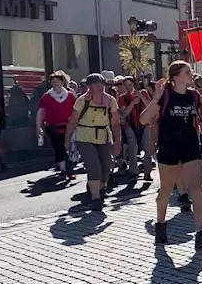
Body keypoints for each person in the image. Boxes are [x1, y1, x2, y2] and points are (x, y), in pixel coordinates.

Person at [141, 61, 202, 250]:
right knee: (166, 190)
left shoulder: (194, 95)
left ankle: (200, 232)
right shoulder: (165, 95)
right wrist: (156, 98)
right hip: (169, 147)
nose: (191, 74)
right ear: (176, 77)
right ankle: (160, 224)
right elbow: (144, 119)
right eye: (187, 72)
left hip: (190, 146)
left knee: (198, 189)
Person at [69, 73, 120, 210]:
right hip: (84, 136)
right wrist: (67, 140)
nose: (100, 87)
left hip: (103, 136)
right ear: (89, 86)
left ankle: (97, 189)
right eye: (96, 84)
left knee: (107, 165)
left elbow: (115, 123)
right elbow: (72, 120)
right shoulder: (82, 101)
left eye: (102, 84)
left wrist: (117, 142)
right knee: (94, 166)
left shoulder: (110, 101)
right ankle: (96, 198)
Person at [35, 71, 76, 179]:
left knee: (69, 147)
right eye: (53, 82)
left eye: (57, 81)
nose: (55, 83)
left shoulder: (71, 95)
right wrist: (38, 127)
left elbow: (77, 111)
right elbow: (40, 112)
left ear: (63, 82)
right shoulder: (47, 97)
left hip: (69, 126)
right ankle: (63, 170)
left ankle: (69, 169)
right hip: (52, 126)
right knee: (58, 147)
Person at [116, 75, 149, 180]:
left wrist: (141, 97)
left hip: (144, 124)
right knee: (132, 148)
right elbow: (124, 114)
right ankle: (134, 171)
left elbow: (149, 106)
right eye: (125, 86)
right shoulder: (122, 98)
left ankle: (147, 172)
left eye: (130, 85)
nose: (128, 88)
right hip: (129, 124)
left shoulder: (143, 93)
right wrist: (133, 103)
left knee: (148, 148)